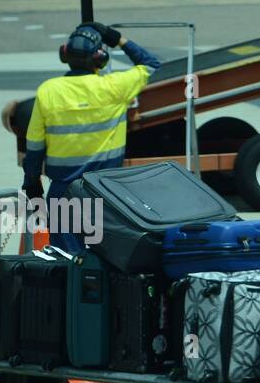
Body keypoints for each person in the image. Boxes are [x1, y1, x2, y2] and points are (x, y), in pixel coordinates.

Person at [22, 22, 161, 252]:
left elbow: (34, 146)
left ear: (64, 54)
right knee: (103, 258)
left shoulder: (49, 90)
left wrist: (32, 184)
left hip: (62, 191)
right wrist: (117, 38)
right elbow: (150, 63)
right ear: (100, 59)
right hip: (103, 189)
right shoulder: (115, 86)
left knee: (65, 259)